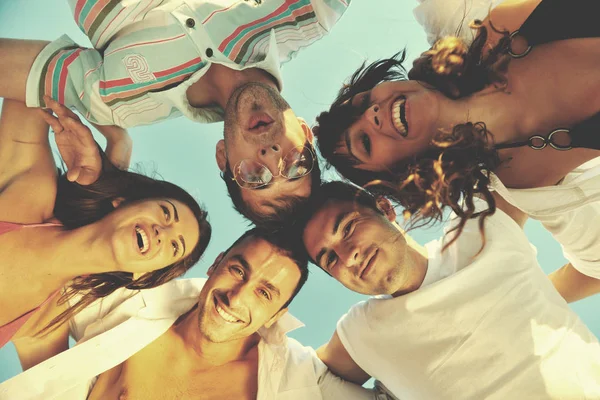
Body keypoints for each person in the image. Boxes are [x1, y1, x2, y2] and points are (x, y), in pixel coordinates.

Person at [312, 0, 600, 284]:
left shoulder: (469, 18)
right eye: (364, 142)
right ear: (400, 172)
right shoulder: (528, 187)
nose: (372, 114)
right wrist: (548, 300)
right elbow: (595, 266)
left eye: (364, 101)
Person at [0, 0, 346, 225]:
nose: (271, 157)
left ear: (223, 158)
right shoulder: (310, 14)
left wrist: (109, 172)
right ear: (305, 132)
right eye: (297, 164)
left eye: (256, 177)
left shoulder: (122, 105)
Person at [0, 229, 389, 400]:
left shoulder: (301, 381)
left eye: (265, 293)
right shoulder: (130, 307)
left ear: (277, 314)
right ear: (217, 262)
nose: (237, 297)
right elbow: (41, 264)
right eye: (238, 269)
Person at [299, 181, 600, 399]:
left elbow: (531, 159)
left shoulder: (479, 225)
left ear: (384, 209)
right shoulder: (360, 331)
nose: (348, 255)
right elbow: (295, 380)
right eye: (330, 258)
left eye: (349, 227)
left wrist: (530, 294)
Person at [0, 99, 211, 371]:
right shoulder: (31, 190)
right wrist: (110, 131)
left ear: (144, 276)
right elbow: (25, 78)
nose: (162, 232)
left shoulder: (44, 325)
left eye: (173, 247)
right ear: (122, 201)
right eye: (165, 213)